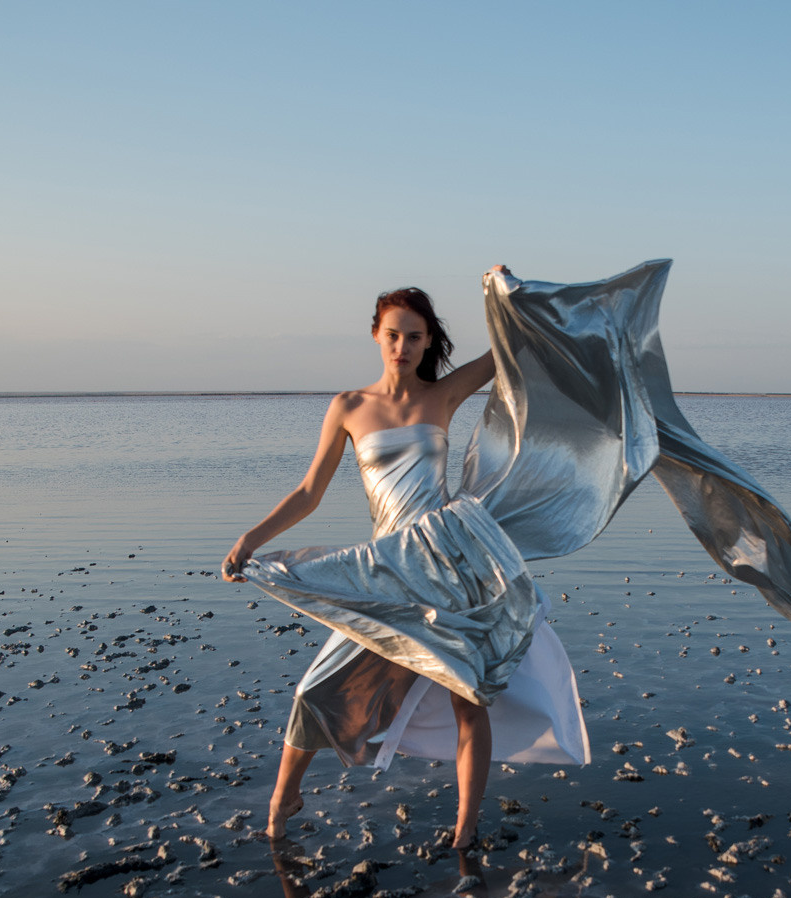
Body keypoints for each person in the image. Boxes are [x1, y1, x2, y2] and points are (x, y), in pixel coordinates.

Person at [222, 267, 585, 846]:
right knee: (316, 688)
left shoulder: (442, 394)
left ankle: (466, 828)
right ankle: (284, 794)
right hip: (387, 569)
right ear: (375, 335)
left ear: (427, 342)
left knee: (470, 696)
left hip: (447, 562)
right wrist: (252, 539)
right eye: (393, 334)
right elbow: (310, 492)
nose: (403, 346)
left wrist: (502, 291)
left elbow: (511, 350)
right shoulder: (348, 405)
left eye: (414, 337)